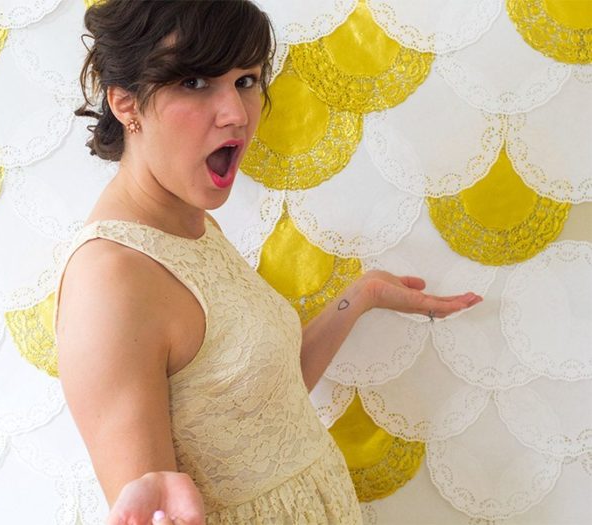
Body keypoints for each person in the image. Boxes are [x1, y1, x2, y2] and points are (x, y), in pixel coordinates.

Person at [53, 1, 483, 524]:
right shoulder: (112, 280)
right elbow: (153, 509)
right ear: (126, 104)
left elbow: (264, 403)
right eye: (194, 82)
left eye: (247, 80)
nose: (237, 112)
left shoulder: (190, 223)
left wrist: (360, 296)